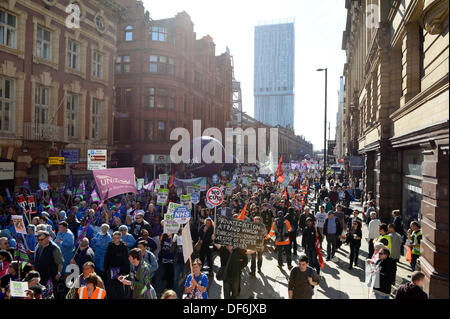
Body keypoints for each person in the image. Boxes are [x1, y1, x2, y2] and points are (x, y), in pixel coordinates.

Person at [103, 231, 130, 299]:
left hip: (120, 269)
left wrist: (126, 271)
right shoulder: (110, 245)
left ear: (120, 238)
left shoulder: (123, 246)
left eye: (117, 238)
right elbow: (107, 257)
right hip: (111, 269)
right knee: (110, 287)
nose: (115, 239)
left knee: (120, 287)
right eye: (114, 238)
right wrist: (106, 268)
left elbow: (126, 259)